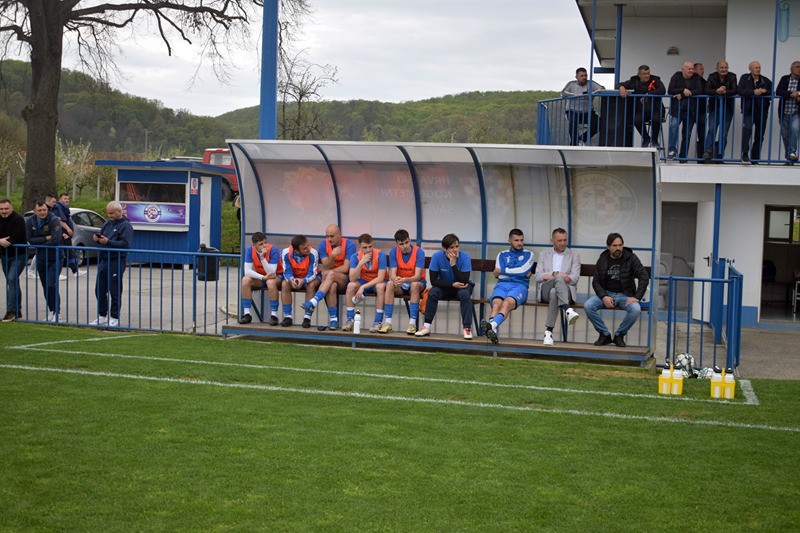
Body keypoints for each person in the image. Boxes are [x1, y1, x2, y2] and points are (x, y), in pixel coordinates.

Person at [584, 233, 649, 348]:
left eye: (620, 245)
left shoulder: (631, 258)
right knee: (588, 305)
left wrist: (636, 297)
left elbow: (644, 277)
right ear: (608, 246)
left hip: (625, 295)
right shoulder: (603, 259)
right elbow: (596, 281)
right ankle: (604, 334)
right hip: (607, 294)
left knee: (635, 309)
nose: (618, 248)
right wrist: (604, 296)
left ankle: (619, 335)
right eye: (614, 246)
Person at [480, 228, 535, 345]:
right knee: (496, 303)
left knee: (507, 303)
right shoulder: (502, 255)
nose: (520, 243)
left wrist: (504, 271)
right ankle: (493, 330)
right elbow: (501, 275)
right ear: (509, 241)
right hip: (502, 284)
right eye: (516, 240)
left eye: (521, 240)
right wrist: (516, 272)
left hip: (519, 286)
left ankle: (491, 325)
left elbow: (522, 271)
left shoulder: (529, 254)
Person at [415, 233, 474, 339]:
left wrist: (453, 265)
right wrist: (452, 284)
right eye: (451, 247)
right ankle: (426, 326)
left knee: (465, 294)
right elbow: (434, 281)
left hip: (461, 287)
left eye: (457, 246)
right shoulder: (437, 257)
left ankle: (467, 328)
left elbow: (464, 281)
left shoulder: (465, 257)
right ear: (444, 248)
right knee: (433, 292)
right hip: (445, 286)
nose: (455, 250)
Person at [302, 224, 357, 330]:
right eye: (327, 236)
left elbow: (346, 268)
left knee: (330, 274)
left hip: (345, 279)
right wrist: (333, 255)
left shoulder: (349, 245)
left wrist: (330, 272)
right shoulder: (323, 245)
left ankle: (314, 301)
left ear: (339, 234)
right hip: (330, 280)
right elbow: (326, 265)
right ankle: (333, 320)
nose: (329, 239)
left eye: (331, 236)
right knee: (332, 286)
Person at [534, 228, 582, 346]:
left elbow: (574, 278)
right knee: (558, 279)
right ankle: (568, 310)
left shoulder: (574, 255)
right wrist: (557, 274)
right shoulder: (544, 254)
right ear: (552, 241)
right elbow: (538, 276)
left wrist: (552, 276)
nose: (563, 243)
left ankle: (548, 331)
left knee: (554, 292)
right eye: (559, 240)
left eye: (565, 240)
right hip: (545, 290)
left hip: (566, 291)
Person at [89, 202, 133, 327]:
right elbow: (103, 239)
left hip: (116, 260)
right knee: (99, 289)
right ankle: (102, 315)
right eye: (108, 213)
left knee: (115, 290)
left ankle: (114, 317)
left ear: (119, 211)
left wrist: (108, 242)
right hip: (104, 260)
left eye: (112, 213)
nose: (109, 215)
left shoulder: (126, 226)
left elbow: (125, 244)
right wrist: (98, 239)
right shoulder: (107, 223)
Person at [379, 229, 426, 335]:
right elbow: (392, 273)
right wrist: (395, 279)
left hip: (417, 283)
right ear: (397, 244)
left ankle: (412, 324)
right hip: (401, 283)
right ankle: (388, 323)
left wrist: (404, 279)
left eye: (406, 242)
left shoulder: (419, 252)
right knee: (389, 284)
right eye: (401, 244)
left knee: (414, 285)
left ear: (410, 240)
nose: (405, 246)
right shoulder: (393, 252)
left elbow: (417, 276)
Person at [25, 199, 63, 322]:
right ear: (34, 211)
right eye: (40, 210)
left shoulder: (54, 220)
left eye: (44, 210)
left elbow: (55, 240)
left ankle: (57, 313)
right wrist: (46, 238)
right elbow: (30, 239)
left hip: (55, 258)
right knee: (45, 286)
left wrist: (39, 242)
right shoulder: (30, 221)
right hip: (41, 259)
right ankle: (51, 311)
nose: (42, 212)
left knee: (52, 285)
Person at [342, 233, 387, 332]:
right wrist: (360, 263)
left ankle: (377, 322)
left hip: (377, 282)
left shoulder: (381, 255)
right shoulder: (355, 256)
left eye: (370, 246)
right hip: (364, 280)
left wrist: (363, 287)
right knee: (350, 285)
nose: (368, 250)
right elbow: (352, 278)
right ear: (360, 247)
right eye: (365, 247)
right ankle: (350, 320)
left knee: (380, 287)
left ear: (373, 245)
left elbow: (380, 278)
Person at [239, 232, 283, 325]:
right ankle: (247, 314)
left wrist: (262, 258)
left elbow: (271, 272)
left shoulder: (273, 250)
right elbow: (247, 271)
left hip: (277, 276)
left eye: (265, 242)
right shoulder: (250, 250)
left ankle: (274, 315)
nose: (264, 246)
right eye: (261, 244)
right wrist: (262, 277)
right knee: (245, 280)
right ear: (254, 245)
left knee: (270, 282)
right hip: (263, 277)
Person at [618, 65, 666, 147]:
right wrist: (621, 87)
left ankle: (654, 140)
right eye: (644, 74)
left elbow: (662, 90)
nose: (647, 76)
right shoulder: (633, 80)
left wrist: (649, 94)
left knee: (656, 119)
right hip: (639, 110)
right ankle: (646, 138)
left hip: (655, 109)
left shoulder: (655, 79)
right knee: (636, 120)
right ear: (639, 74)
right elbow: (618, 84)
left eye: (648, 73)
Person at [280, 234, 321, 328]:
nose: (308, 249)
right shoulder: (285, 253)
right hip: (295, 278)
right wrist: (291, 279)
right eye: (305, 248)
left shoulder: (313, 253)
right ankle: (288, 317)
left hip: (311, 278)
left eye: (308, 245)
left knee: (311, 285)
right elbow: (286, 272)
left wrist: (303, 280)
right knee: (284, 284)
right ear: (297, 250)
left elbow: (312, 273)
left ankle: (307, 317)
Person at [667, 61, 703, 160]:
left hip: (690, 111)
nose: (691, 71)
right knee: (673, 128)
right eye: (689, 69)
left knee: (687, 135)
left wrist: (682, 94)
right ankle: (672, 150)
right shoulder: (676, 76)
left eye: (692, 69)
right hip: (677, 110)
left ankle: (683, 157)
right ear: (683, 69)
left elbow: (699, 90)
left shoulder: (696, 77)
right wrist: (683, 89)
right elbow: (670, 90)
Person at [738, 61, 772, 163]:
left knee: (759, 136)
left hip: (762, 111)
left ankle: (755, 158)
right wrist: (753, 92)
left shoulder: (765, 80)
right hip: (749, 110)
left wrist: (764, 92)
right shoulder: (745, 78)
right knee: (747, 128)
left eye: (759, 67)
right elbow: (740, 91)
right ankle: (745, 153)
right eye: (756, 67)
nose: (758, 69)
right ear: (750, 69)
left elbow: (772, 92)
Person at [703, 60, 737, 161]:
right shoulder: (712, 76)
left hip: (727, 108)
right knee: (712, 129)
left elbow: (735, 90)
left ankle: (720, 154)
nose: (724, 69)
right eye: (721, 67)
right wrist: (717, 91)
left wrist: (725, 91)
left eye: (726, 67)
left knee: (723, 133)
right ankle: (708, 151)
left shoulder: (732, 76)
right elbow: (706, 90)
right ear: (717, 68)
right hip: (714, 107)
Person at [561, 67, 605, 146]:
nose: (584, 78)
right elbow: (563, 93)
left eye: (585, 75)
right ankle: (574, 144)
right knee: (573, 122)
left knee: (600, 123)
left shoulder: (590, 83)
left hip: (588, 112)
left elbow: (602, 88)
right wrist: (576, 95)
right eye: (581, 76)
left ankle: (582, 139)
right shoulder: (572, 84)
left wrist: (592, 93)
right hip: (573, 111)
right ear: (576, 77)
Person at [0, 198, 28, 321]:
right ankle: (17, 310)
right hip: (4, 255)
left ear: (11, 208)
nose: (4, 211)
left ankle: (11, 311)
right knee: (12, 282)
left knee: (11, 279)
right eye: (1, 209)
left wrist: (5, 241)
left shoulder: (18, 219)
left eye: (6, 208)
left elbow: (16, 237)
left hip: (19, 255)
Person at [52, 192, 82, 275]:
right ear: (60, 199)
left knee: (69, 253)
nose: (67, 200)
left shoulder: (64, 209)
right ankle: (58, 273)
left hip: (66, 235)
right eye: (65, 198)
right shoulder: (57, 208)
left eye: (68, 199)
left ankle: (75, 270)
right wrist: (67, 230)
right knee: (61, 254)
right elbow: (59, 221)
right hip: (62, 235)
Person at [776, 60, 800, 163]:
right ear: (791, 69)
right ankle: (789, 157)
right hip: (784, 111)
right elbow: (779, 91)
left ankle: (792, 152)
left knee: (794, 129)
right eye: (797, 67)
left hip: (796, 112)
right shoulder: (785, 79)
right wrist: (791, 94)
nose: (799, 69)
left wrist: (798, 93)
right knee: (785, 135)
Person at [693, 62, 708, 159]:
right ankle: (683, 157)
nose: (703, 71)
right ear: (695, 70)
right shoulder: (691, 80)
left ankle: (702, 158)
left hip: (701, 111)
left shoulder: (704, 82)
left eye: (703, 69)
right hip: (691, 111)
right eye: (701, 69)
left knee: (702, 135)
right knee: (687, 134)